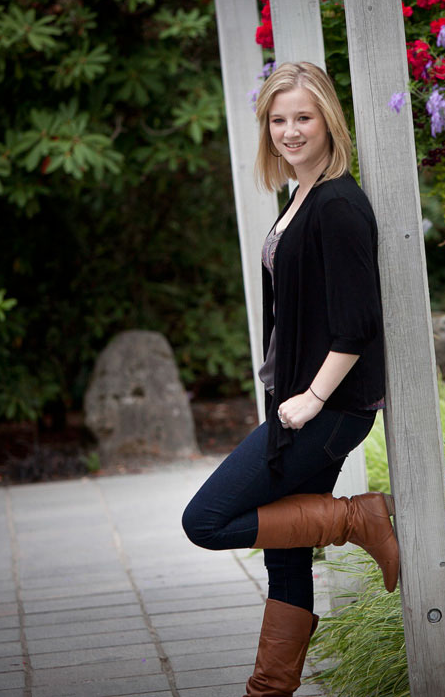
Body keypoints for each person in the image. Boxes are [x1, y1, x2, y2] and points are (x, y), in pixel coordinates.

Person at [182, 61, 397, 697]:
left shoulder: (337, 204)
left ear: (328, 120)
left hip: (328, 407)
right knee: (285, 557)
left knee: (207, 521)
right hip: (301, 401)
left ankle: (358, 519)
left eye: (303, 117)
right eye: (278, 120)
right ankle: (269, 690)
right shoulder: (299, 196)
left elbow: (357, 324)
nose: (289, 131)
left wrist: (312, 397)